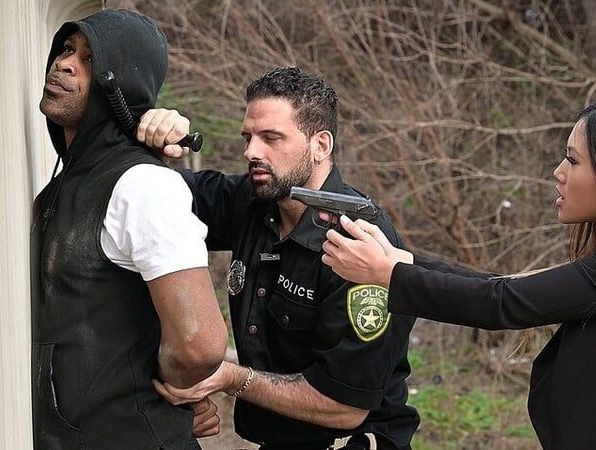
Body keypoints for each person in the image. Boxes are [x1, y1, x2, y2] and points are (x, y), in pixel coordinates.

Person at [320, 99, 596, 450]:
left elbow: (505, 305)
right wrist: (401, 261)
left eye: (573, 160)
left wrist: (391, 275)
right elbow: (506, 288)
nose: (558, 172)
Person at [148, 67, 420, 450]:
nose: (251, 152)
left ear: (320, 145)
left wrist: (231, 378)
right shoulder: (254, 201)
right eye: (248, 138)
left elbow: (344, 407)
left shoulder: (361, 245)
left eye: (271, 138)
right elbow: (151, 194)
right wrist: (149, 138)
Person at [30, 9, 228, 449]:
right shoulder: (58, 191)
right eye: (66, 50)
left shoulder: (143, 185)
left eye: (89, 60)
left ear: (120, 85)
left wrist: (161, 392)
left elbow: (199, 344)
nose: (64, 64)